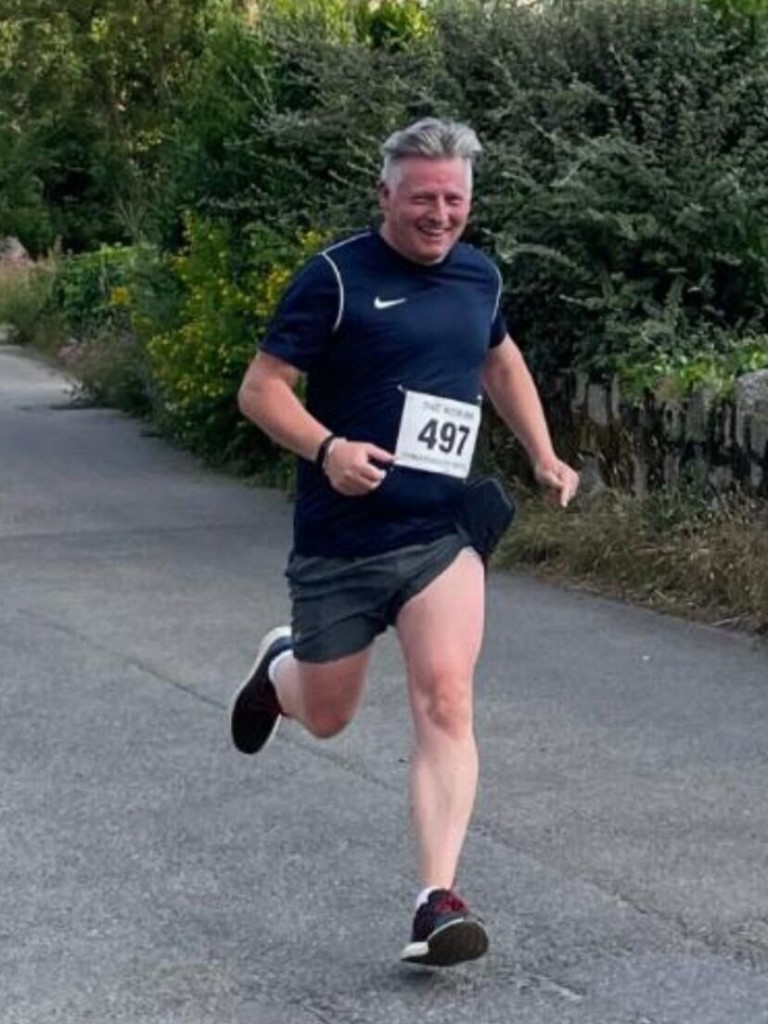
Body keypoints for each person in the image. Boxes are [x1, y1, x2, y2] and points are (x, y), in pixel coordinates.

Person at [230, 117, 579, 967]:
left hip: (439, 531)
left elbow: (499, 361)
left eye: (454, 198)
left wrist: (542, 451)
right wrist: (327, 448)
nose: (439, 213)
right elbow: (260, 389)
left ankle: (436, 900)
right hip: (342, 539)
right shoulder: (335, 279)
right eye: (422, 196)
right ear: (385, 193)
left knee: (447, 698)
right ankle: (283, 673)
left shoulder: (478, 276)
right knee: (328, 714)